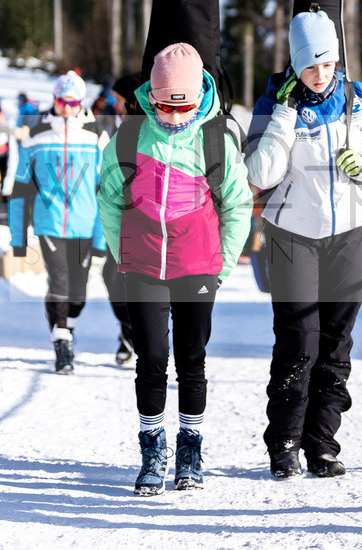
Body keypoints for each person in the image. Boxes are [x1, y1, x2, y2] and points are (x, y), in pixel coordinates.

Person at [245, 10, 362, 479]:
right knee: (299, 341)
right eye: (311, 66)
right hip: (292, 235)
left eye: (328, 64)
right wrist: (284, 115)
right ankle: (284, 444)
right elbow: (260, 173)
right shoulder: (274, 102)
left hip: (349, 232)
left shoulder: (359, 98)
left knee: (336, 343)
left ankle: (322, 446)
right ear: (295, 62)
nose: (321, 75)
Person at [98, 43, 252, 495]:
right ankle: (152, 449)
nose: (174, 116)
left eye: (184, 107)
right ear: (152, 97)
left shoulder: (214, 139)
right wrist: (123, 255)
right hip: (142, 266)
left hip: (198, 267)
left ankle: (189, 448)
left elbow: (238, 205)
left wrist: (221, 265)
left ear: (198, 98)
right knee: (150, 358)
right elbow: (109, 200)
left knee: (191, 359)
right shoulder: (129, 137)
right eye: (165, 106)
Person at [9, 72, 109, 374]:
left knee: (79, 289)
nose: (66, 108)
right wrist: (18, 239)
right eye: (61, 101)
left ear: (81, 102)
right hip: (48, 222)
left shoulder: (96, 135)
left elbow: (107, 192)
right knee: (60, 280)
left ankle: (67, 328)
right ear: (54, 100)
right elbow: (20, 190)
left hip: (86, 224)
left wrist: (102, 239)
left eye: (72, 102)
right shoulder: (37, 135)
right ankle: (61, 342)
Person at [98, 73, 142, 365]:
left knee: (129, 280)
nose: (113, 103)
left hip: (142, 220)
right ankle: (130, 333)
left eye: (117, 99)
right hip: (119, 218)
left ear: (131, 100)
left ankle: (136, 336)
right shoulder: (117, 125)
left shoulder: (143, 130)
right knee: (113, 276)